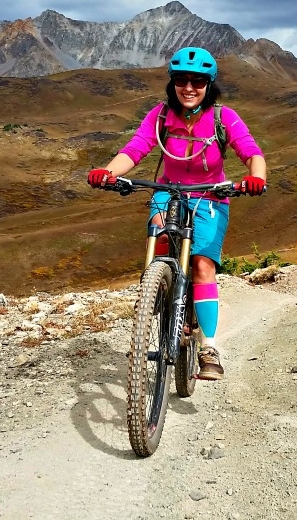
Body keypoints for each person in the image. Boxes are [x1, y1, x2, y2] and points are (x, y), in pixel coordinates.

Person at [87, 46, 266, 380]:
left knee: (201, 264)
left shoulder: (222, 117)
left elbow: (252, 152)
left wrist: (257, 178)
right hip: (169, 190)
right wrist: (109, 172)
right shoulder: (160, 116)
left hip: (210, 196)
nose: (189, 87)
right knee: (159, 232)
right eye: (182, 80)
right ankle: (157, 291)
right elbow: (136, 147)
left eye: (197, 81)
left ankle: (208, 347)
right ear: (172, 83)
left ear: (208, 85)